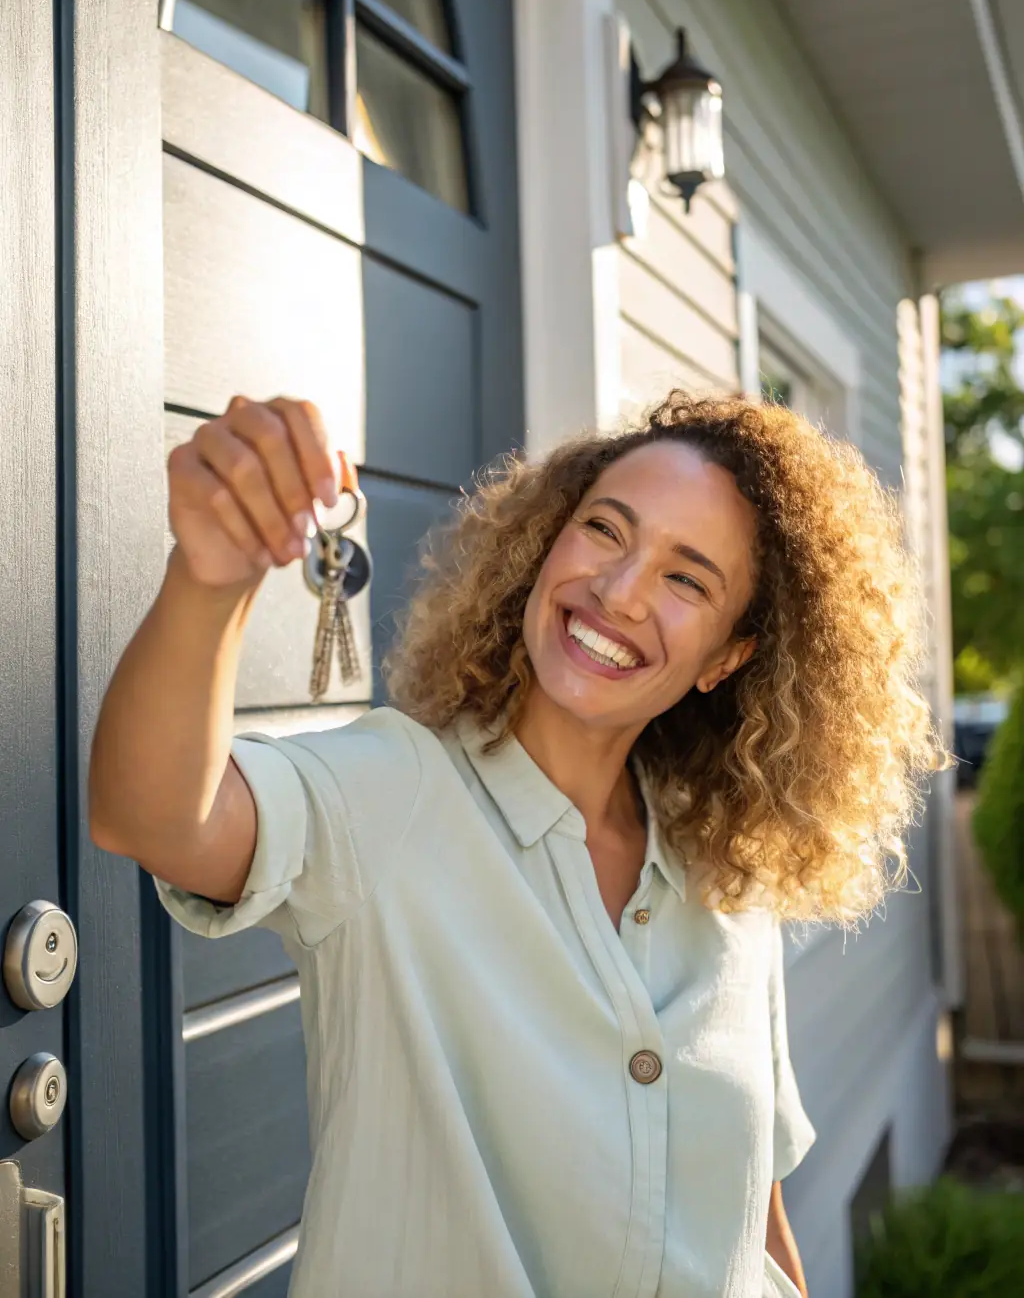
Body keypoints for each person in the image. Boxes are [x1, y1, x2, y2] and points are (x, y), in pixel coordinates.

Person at [89, 390, 944, 1298]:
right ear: (548, 543)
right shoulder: (396, 796)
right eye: (605, 530)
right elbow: (154, 816)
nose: (618, 592)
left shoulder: (728, 884)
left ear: (727, 658)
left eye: (686, 578)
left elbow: (754, 1218)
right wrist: (211, 576)